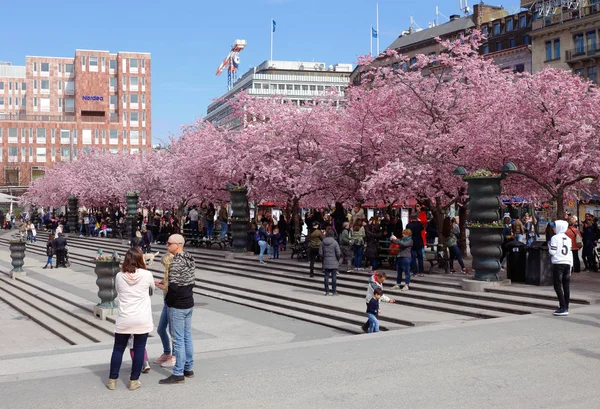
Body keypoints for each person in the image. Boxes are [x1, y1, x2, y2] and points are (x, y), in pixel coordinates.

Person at [106, 249, 155, 391]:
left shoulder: (120, 276)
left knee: (118, 349)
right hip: (142, 318)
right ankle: (134, 381)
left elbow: (118, 291)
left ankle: (112, 380)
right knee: (139, 349)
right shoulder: (147, 275)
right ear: (141, 259)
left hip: (125, 318)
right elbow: (152, 289)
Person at [157, 234, 196, 385]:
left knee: (178, 339)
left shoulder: (176, 262)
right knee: (186, 336)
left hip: (178, 304)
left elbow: (173, 286)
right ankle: (188, 368)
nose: (167, 246)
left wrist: (169, 302)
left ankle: (178, 372)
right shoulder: (190, 259)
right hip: (188, 302)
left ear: (177, 245)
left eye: (169, 243)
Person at [548, 220, 573, 316]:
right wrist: (571, 265)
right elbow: (570, 253)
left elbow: (553, 252)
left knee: (557, 285)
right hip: (567, 262)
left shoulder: (555, 238)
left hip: (558, 263)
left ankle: (562, 307)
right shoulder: (568, 238)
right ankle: (566, 305)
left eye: (554, 226)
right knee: (566, 285)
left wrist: (549, 246)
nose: (553, 228)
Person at [155, 252, 175, 368]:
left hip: (172, 304)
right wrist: (162, 282)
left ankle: (174, 356)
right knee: (161, 329)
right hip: (166, 303)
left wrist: (163, 286)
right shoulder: (167, 273)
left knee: (174, 332)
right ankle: (167, 353)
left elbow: (173, 288)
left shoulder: (174, 272)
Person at [319, 229, 342, 296]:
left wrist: (324, 257)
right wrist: (337, 259)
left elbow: (320, 252)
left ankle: (327, 291)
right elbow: (338, 253)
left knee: (326, 277)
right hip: (334, 262)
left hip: (326, 261)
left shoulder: (323, 242)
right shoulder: (335, 242)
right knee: (334, 277)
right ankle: (334, 291)